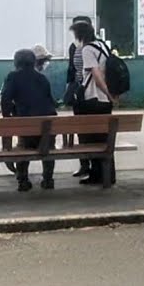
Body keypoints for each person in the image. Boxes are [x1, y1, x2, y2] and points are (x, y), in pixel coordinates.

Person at [1, 49, 59, 191]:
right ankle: (48, 179)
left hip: (27, 126)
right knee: (48, 147)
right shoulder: (42, 78)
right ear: (33, 62)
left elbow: (5, 100)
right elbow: (50, 102)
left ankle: (23, 181)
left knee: (23, 146)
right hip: (48, 125)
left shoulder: (13, 77)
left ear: (16, 62)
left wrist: (7, 116)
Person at [71, 20, 115, 186]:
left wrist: (107, 93)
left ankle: (96, 175)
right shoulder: (102, 45)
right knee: (104, 139)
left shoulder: (87, 49)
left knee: (92, 140)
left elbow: (96, 76)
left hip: (93, 98)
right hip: (104, 102)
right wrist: (110, 96)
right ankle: (108, 175)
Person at [65, 16, 95, 178]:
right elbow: (72, 69)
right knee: (82, 132)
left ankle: (90, 166)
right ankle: (84, 165)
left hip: (87, 94)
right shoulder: (74, 47)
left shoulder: (91, 47)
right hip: (80, 94)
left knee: (88, 132)